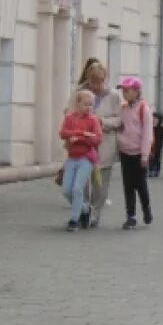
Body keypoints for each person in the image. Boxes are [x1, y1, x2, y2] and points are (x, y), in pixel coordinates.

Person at [81, 62, 123, 228]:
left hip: (105, 145)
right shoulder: (80, 93)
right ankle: (83, 210)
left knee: (100, 184)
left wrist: (102, 121)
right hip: (83, 145)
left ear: (105, 79)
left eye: (100, 82)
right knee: (81, 181)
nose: (96, 86)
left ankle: (95, 213)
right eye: (93, 82)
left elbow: (119, 120)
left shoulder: (113, 96)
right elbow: (69, 113)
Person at [59, 89, 102, 232]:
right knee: (66, 190)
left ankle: (73, 220)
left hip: (86, 158)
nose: (89, 108)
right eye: (86, 104)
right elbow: (63, 133)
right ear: (78, 104)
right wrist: (81, 134)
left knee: (77, 188)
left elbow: (97, 139)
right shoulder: (70, 118)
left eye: (91, 105)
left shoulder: (93, 120)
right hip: (72, 158)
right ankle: (84, 208)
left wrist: (81, 138)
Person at [116, 77, 154, 230]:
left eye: (127, 91)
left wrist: (145, 154)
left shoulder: (143, 109)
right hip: (125, 152)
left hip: (139, 154)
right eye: (123, 91)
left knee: (141, 185)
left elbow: (147, 133)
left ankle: (146, 208)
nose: (124, 94)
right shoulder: (123, 108)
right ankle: (130, 216)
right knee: (128, 186)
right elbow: (120, 127)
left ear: (137, 91)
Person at [149, 113, 163, 179]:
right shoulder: (149, 128)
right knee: (151, 159)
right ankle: (150, 170)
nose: (154, 121)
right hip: (150, 147)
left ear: (159, 121)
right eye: (153, 119)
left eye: (156, 119)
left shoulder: (161, 129)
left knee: (157, 159)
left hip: (158, 147)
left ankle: (157, 170)